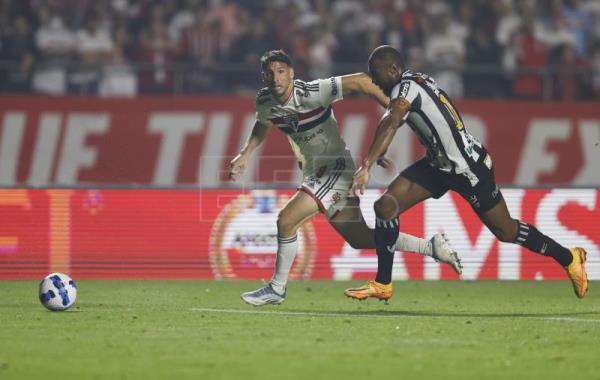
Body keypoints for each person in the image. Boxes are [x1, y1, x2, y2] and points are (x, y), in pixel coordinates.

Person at [344, 45, 588, 302]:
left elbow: (393, 119)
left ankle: (570, 258)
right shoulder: (414, 81)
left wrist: (367, 165)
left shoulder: (405, 88)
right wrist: (376, 152)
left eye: (376, 73)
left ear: (393, 69)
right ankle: (383, 283)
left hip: (468, 168)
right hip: (438, 166)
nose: (374, 79)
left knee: (506, 231)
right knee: (385, 206)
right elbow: (390, 118)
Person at [228, 50, 463, 306]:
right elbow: (264, 123)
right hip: (314, 171)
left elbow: (362, 81)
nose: (276, 78)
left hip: (333, 169)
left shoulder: (312, 92)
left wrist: (396, 111)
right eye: (270, 73)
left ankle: (277, 288)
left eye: (282, 71)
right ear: (263, 76)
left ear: (292, 74)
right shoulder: (264, 101)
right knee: (359, 238)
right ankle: (432, 247)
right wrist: (245, 153)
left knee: (286, 221)